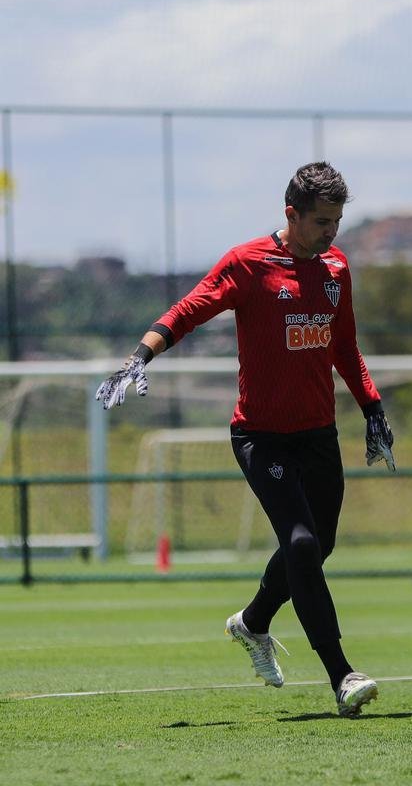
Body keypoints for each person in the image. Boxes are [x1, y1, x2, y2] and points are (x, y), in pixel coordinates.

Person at [96, 161, 396, 718]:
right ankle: (341, 675)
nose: (331, 232)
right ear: (291, 214)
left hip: (319, 437)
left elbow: (344, 347)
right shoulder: (249, 263)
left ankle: (253, 622)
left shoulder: (336, 267)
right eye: (321, 221)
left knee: (317, 546)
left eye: (337, 221)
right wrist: (140, 356)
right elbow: (189, 310)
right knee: (303, 545)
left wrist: (372, 406)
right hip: (261, 438)